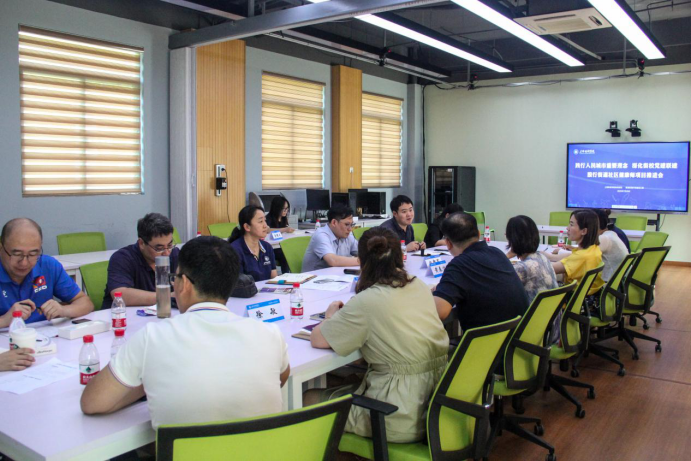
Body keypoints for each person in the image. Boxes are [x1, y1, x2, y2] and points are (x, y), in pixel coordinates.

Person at [81, 237, 290, 428]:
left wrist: (151, 377)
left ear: (184, 285)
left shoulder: (152, 337)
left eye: (176, 277)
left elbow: (92, 403)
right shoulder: (269, 334)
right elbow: (279, 378)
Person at [308, 227, 448, 443]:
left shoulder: (367, 301)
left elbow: (318, 339)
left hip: (396, 414)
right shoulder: (418, 285)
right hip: (439, 407)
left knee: (308, 398)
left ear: (361, 262)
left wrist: (329, 317)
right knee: (353, 378)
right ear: (400, 257)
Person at [432, 213, 528, 329]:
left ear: (448, 243)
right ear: (478, 234)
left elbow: (439, 312)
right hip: (518, 334)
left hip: (488, 338)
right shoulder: (497, 253)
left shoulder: (459, 265)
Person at [0, 218, 93, 329]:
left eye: (33, 254)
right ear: (1, 246)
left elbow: (85, 303)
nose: (24, 263)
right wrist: (4, 320)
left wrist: (63, 310)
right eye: (17, 254)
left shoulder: (48, 265)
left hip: (43, 335)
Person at [103, 213, 179, 310]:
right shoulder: (123, 258)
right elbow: (121, 294)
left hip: (162, 313)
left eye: (169, 245)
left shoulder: (175, 254)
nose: (167, 253)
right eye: (159, 248)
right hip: (122, 315)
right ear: (141, 243)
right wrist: (167, 297)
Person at [547, 210, 604, 295]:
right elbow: (569, 259)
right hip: (588, 296)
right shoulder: (594, 248)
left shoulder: (581, 256)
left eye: (571, 224)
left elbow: (548, 269)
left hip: (573, 297)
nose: (567, 228)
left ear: (584, 231)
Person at [505, 215, 558, 303]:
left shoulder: (522, 268)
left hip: (533, 311)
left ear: (513, 239)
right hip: (552, 310)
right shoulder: (543, 257)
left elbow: (498, 284)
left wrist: (507, 255)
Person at [302, 204, 359, 271]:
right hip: (316, 276)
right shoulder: (321, 235)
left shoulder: (347, 234)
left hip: (336, 275)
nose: (350, 229)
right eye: (346, 224)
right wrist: (361, 261)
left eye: (351, 224)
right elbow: (333, 261)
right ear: (334, 222)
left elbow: (362, 251)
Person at [228, 205, 277, 282]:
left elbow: (274, 278)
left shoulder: (267, 247)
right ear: (247, 227)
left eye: (265, 220)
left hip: (266, 289)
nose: (266, 226)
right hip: (246, 289)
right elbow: (238, 284)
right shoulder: (235, 250)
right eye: (260, 221)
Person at [593, 209, 628, 282]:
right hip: (618, 281)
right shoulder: (611, 234)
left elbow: (585, 254)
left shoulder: (604, 238)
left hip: (607, 282)